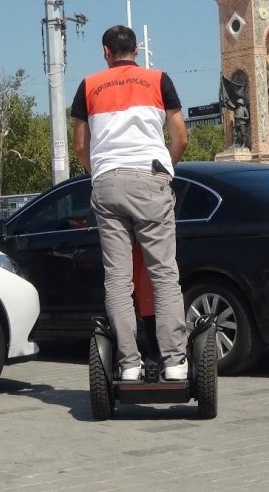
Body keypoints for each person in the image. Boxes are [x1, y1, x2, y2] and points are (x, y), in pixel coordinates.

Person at [71, 25, 189, 381]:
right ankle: (174, 363)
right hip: (150, 179)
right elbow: (180, 137)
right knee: (164, 274)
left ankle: (128, 364)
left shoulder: (88, 86)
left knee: (118, 279)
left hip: (108, 183)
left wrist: (101, 172)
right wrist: (163, 171)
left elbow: (80, 145)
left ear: (105, 52)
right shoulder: (159, 80)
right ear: (136, 50)